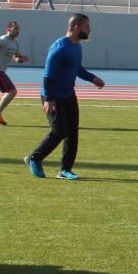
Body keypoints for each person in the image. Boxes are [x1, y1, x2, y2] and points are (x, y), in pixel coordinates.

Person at [25, 15, 104, 180]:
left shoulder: (77, 47)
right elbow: (47, 75)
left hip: (69, 95)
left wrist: (92, 78)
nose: (89, 29)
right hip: (54, 97)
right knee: (59, 131)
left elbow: (77, 68)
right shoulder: (59, 47)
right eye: (86, 26)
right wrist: (48, 99)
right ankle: (34, 158)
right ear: (76, 27)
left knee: (72, 132)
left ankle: (65, 170)